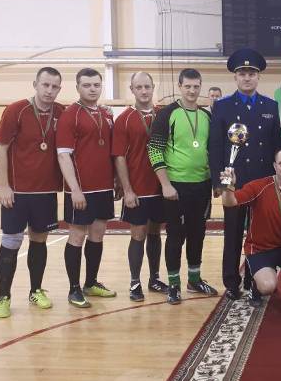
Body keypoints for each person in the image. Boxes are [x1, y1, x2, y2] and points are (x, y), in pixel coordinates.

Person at [209, 48, 281, 300]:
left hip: (262, 182)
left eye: (252, 73)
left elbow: (276, 146)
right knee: (232, 232)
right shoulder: (222, 106)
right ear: (235, 77)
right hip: (233, 182)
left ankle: (254, 281)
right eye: (242, 73)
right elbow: (216, 146)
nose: (247, 78)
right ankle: (231, 281)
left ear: (259, 77)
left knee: (259, 234)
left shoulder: (270, 106)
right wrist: (219, 182)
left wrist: (277, 182)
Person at [0, 67, 65, 318]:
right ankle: (3, 296)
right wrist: (3, 185)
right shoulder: (16, 110)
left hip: (46, 192)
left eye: (54, 86)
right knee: (11, 242)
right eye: (45, 85)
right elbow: (1, 148)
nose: (49, 91)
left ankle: (35, 290)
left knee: (39, 241)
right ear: (35, 84)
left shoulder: (61, 112)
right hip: (17, 192)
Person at [219, 149, 281, 319]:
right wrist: (228, 186)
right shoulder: (258, 186)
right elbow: (230, 202)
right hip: (260, 248)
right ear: (274, 165)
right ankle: (256, 287)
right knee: (268, 286)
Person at [149, 68, 218, 304]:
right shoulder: (167, 114)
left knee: (197, 234)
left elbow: (213, 151)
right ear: (180, 86)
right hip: (176, 187)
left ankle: (194, 280)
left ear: (200, 87)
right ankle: (174, 284)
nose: (192, 91)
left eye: (196, 86)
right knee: (176, 236)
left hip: (202, 185)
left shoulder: (207, 116)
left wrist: (216, 182)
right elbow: (154, 149)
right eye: (187, 86)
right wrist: (165, 185)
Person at [56, 68, 117, 308]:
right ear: (78, 87)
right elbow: (63, 155)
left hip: (104, 187)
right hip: (80, 190)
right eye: (87, 85)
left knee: (98, 233)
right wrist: (75, 189)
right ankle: (74, 289)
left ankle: (91, 283)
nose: (92, 89)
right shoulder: (70, 115)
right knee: (77, 235)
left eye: (96, 85)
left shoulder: (105, 114)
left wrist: (116, 181)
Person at [113, 71, 171, 302]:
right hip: (137, 188)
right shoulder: (124, 119)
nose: (144, 91)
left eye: (147, 86)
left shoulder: (163, 115)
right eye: (139, 87)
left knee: (156, 232)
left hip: (160, 187)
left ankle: (154, 279)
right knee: (138, 233)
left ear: (153, 87)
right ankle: (135, 282)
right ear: (132, 90)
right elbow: (119, 157)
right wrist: (127, 189)